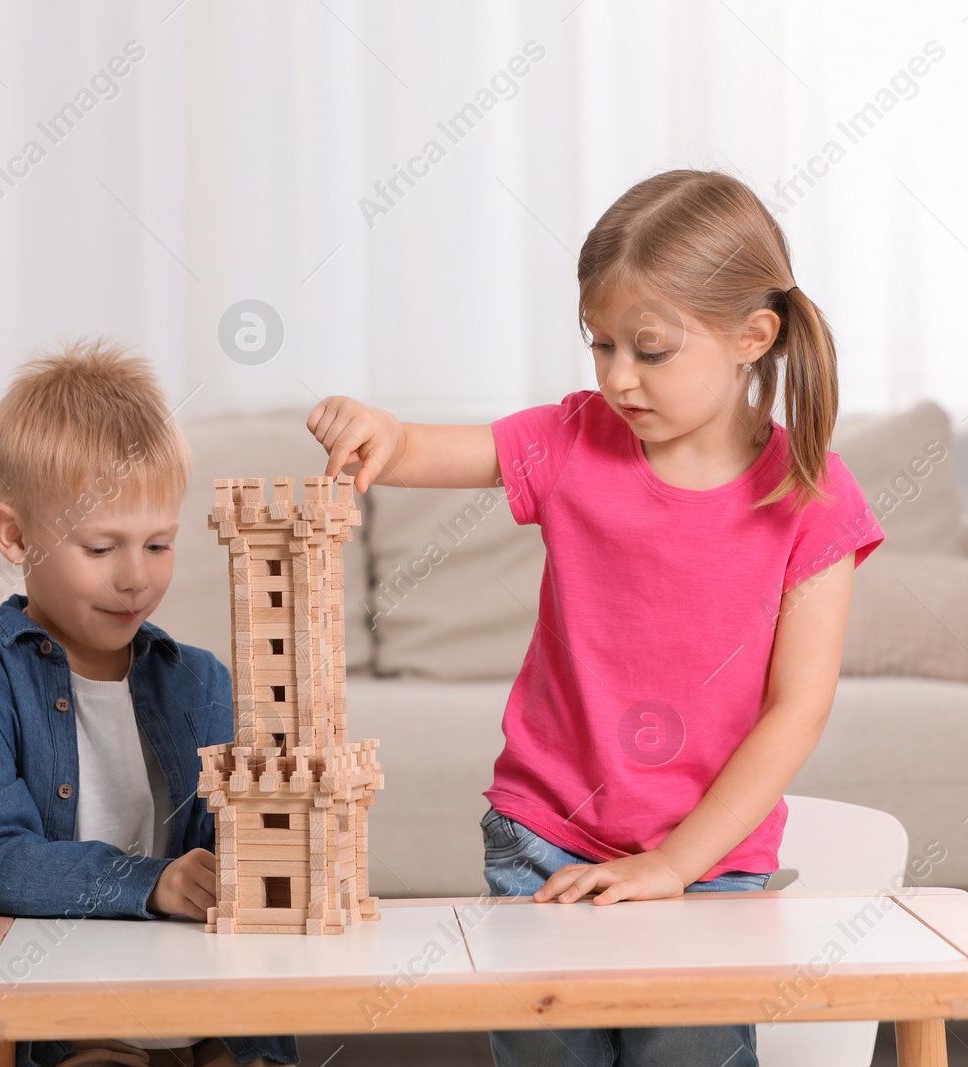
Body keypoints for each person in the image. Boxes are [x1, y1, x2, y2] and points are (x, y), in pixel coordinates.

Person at [305, 169, 885, 1067]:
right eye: (600, 344)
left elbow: (795, 710)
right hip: (545, 838)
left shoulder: (811, 497)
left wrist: (674, 865)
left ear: (752, 337)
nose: (618, 377)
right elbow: (428, 449)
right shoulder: (572, 439)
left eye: (650, 350)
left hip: (712, 867)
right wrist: (381, 427)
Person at [0, 340, 300, 1067]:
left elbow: (239, 843)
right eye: (100, 548)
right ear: (14, 534)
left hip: (199, 994)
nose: (135, 579)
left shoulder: (203, 681)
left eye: (159, 544)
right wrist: (151, 882)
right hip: (63, 1004)